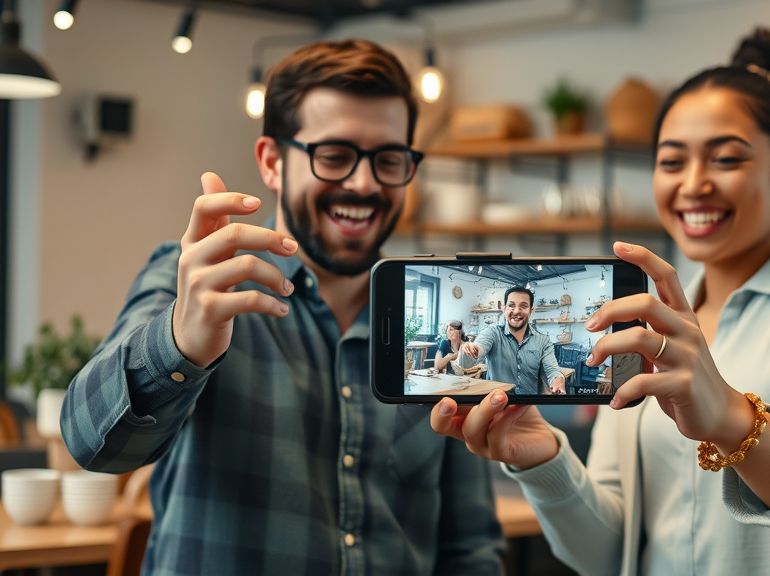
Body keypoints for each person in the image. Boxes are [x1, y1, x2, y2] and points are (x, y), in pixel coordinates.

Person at [431, 28, 770, 576]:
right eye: (671, 161)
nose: (693, 185)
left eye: (726, 160)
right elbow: (609, 553)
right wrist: (545, 461)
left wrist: (733, 419)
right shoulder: (643, 316)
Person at [60, 40, 504, 576]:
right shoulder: (202, 287)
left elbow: (470, 548)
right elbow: (93, 445)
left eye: (388, 160)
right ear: (272, 162)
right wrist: (181, 344)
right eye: (334, 156)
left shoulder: (430, 320)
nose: (364, 184)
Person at [462, 286, 567, 395]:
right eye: (511, 305)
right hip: (498, 404)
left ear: (531, 311)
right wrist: (470, 350)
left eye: (523, 306)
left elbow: (552, 370)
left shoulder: (543, 340)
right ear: (504, 309)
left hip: (529, 407)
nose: (516, 311)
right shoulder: (493, 333)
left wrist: (558, 380)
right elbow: (472, 357)